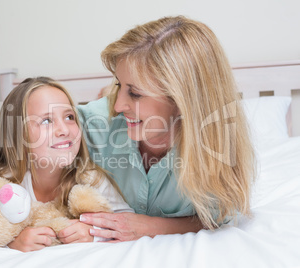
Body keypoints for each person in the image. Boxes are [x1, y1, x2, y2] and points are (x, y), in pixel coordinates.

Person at [77, 15, 255, 241]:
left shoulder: (218, 156)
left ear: (183, 101)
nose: (119, 105)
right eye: (119, 86)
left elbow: (222, 214)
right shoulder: (96, 123)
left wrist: (152, 226)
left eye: (135, 93)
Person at [0, 77, 132, 257]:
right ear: (18, 135)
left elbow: (126, 221)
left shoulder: (90, 179)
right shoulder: (4, 185)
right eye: (46, 120)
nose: (64, 130)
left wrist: (93, 234)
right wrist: (12, 244)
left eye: (69, 117)